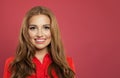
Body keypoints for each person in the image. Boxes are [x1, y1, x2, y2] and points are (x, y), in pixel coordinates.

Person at [3, 6, 75, 78]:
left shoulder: (66, 64)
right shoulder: (12, 64)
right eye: (33, 28)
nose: (40, 34)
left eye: (46, 27)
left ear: (53, 31)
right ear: (26, 32)